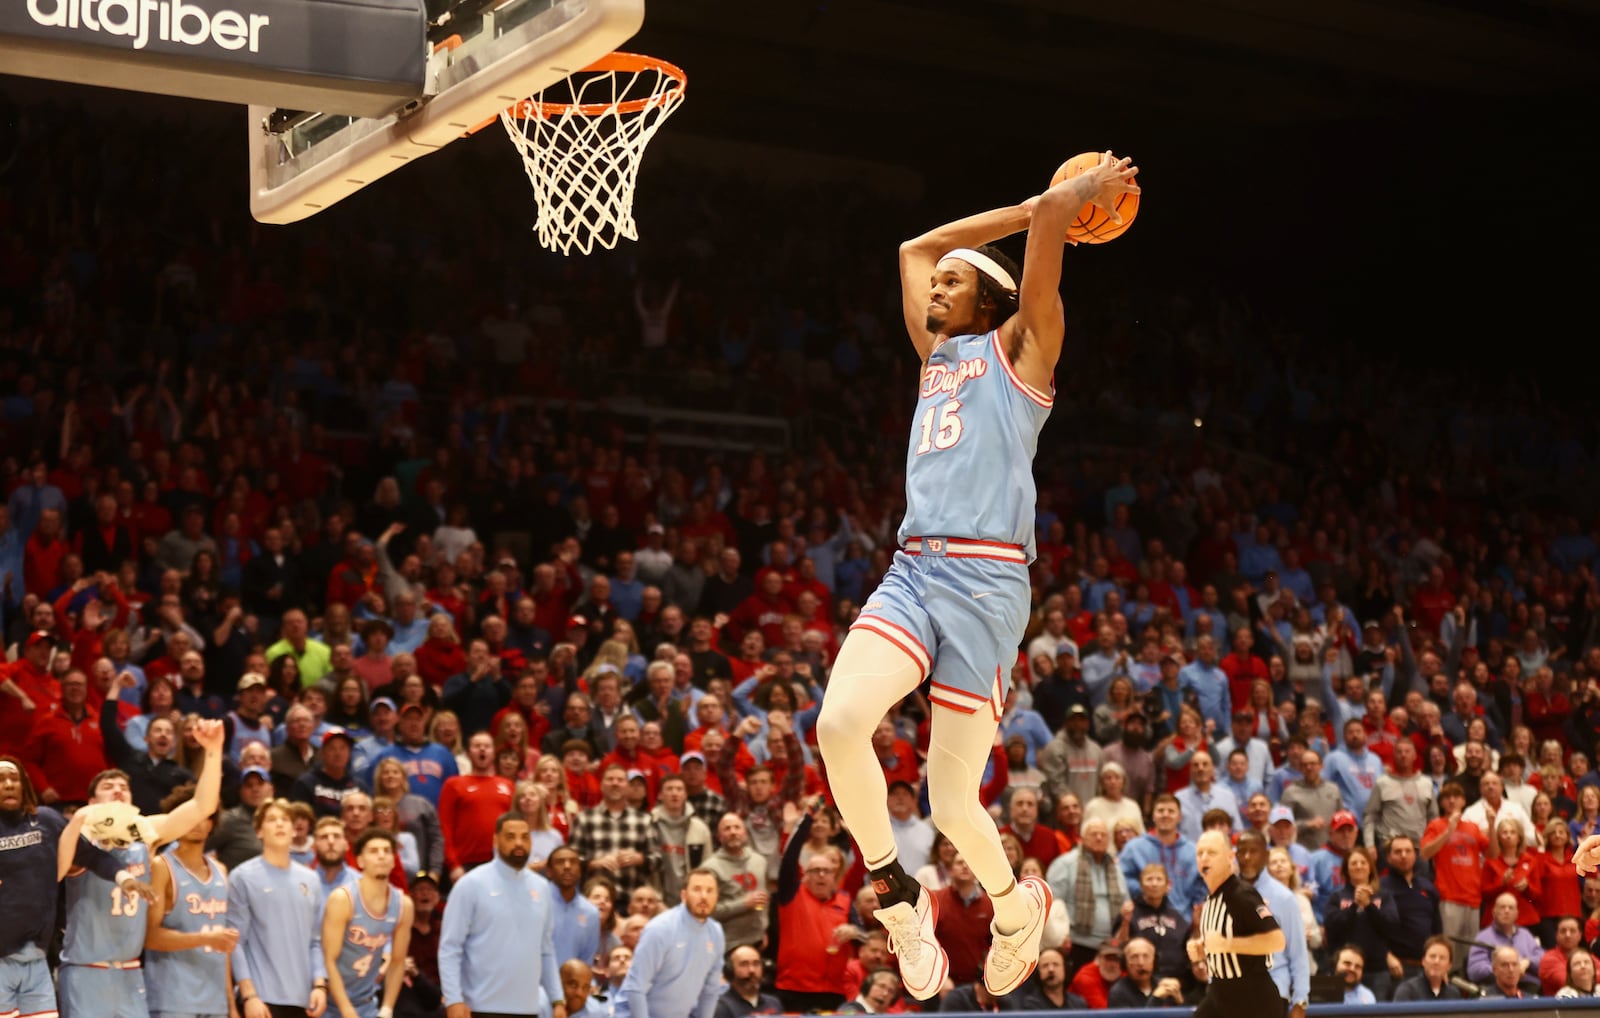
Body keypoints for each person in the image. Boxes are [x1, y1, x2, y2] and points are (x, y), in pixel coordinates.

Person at [812, 150, 1140, 1001]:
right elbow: (914, 247)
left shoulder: (1026, 349)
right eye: (936, 288)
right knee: (840, 721)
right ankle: (895, 897)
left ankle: (1014, 905)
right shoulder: (937, 357)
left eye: (952, 285)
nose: (933, 291)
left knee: (954, 803)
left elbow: (1036, 255)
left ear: (992, 301)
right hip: (916, 570)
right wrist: (1037, 200)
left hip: (989, 586)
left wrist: (1058, 211)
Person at [55, 719, 227, 1018]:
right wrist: (81, 820)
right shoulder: (79, 840)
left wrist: (213, 752)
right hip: (86, 972)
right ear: (92, 801)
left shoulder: (145, 836)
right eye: (109, 787)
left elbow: (202, 806)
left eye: (124, 787)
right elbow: (56, 870)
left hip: (131, 974)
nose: (119, 791)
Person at [0, 757, 157, 1018]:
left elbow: (91, 855)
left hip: (37, 960)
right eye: (1, 780)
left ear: (24, 784)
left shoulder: (47, 821)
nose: (7, 785)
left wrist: (124, 878)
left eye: (13, 779)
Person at [438, 813, 565, 1018]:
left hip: (528, 1009)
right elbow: (450, 948)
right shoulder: (470, 884)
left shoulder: (542, 888)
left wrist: (557, 999)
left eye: (525, 837)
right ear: (495, 840)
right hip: (478, 1008)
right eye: (510, 836)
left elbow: (546, 950)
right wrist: (453, 999)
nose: (518, 843)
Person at [143, 782, 239, 1018]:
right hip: (172, 999)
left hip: (215, 1002)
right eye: (190, 815)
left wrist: (231, 1004)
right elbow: (149, 937)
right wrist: (205, 938)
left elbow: (223, 946)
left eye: (205, 816)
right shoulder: (161, 866)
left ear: (213, 823)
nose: (197, 822)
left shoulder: (221, 871)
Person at [228, 797, 328, 1018]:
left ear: (294, 830)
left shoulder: (311, 879)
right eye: (272, 819)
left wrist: (320, 985)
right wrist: (249, 996)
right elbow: (235, 943)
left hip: (303, 1001)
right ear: (259, 832)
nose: (280, 824)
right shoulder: (242, 877)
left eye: (285, 819)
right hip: (262, 1001)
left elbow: (315, 942)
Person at [1189, 830, 1286, 1018]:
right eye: (1200, 853)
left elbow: (1276, 940)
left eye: (1212, 852)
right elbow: (1227, 937)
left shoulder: (1241, 895)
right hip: (1219, 992)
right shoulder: (1211, 898)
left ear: (1230, 857)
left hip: (1252, 999)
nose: (1204, 858)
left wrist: (1227, 945)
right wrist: (1204, 948)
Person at [323, 828, 414, 1018]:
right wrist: (347, 1010)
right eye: (374, 851)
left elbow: (397, 962)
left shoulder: (403, 905)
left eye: (387, 850)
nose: (382, 856)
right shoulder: (343, 899)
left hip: (366, 1004)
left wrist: (387, 1008)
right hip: (330, 1004)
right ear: (360, 861)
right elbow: (328, 960)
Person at [616, 868, 724, 1018]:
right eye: (697, 890)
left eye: (710, 890)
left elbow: (711, 990)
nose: (704, 896)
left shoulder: (716, 933)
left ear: (717, 896)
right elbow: (635, 987)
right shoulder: (660, 928)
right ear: (684, 895)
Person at [1108, 937, 1185, 1008]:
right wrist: (1156, 998)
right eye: (1134, 957)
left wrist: (1179, 1000)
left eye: (1146, 956)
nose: (1141, 963)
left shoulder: (1163, 985)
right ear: (1125, 963)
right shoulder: (1118, 992)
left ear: (1154, 961)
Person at [714, 944, 781, 1018]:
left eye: (756, 964)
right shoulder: (721, 1007)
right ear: (730, 970)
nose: (752, 970)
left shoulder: (773, 1003)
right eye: (744, 964)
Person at [1392, 935, 1463, 1001]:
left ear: (1449, 965)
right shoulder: (1407, 991)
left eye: (1442, 958)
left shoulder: (1454, 994)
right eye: (1432, 956)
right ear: (1423, 961)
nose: (1436, 961)